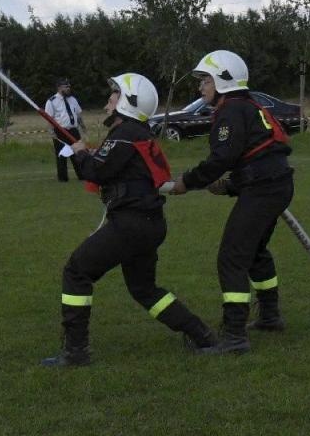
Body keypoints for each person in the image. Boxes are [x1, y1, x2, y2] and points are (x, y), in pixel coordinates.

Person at [41, 74, 217, 366]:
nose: (108, 102)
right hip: (147, 223)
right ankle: (201, 335)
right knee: (145, 290)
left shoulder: (125, 134)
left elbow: (96, 172)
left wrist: (80, 153)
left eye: (114, 96)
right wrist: (80, 152)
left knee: (77, 271)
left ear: (128, 103)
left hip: (132, 224)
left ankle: (75, 352)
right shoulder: (137, 133)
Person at [167, 50, 294, 354]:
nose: (201, 88)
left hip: (264, 189)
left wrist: (188, 181)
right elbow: (254, 154)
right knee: (255, 252)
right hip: (274, 184)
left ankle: (234, 336)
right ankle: (270, 316)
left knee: (232, 257)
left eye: (206, 80)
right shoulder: (247, 106)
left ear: (223, 80)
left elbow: (222, 157)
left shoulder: (231, 110)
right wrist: (230, 186)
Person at [43, 79, 84, 181]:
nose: (69, 89)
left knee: (78, 154)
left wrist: (83, 127)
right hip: (60, 132)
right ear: (59, 88)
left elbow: (78, 114)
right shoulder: (51, 101)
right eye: (66, 87)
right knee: (62, 155)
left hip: (73, 130)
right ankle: (63, 178)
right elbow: (49, 118)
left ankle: (82, 176)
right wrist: (52, 132)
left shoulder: (73, 99)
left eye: (69, 87)